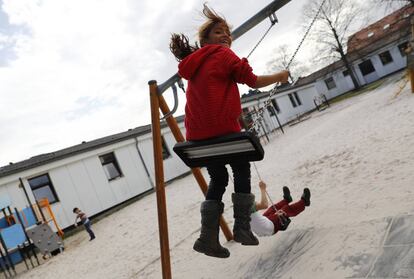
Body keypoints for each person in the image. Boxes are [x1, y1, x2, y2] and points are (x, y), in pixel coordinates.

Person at [169, 4, 290, 258]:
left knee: (219, 179)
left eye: (227, 33)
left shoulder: (193, 66)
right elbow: (253, 81)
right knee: (241, 168)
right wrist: (280, 75)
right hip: (224, 133)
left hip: (198, 141)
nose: (225, 36)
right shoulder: (223, 55)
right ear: (205, 41)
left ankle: (207, 238)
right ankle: (243, 228)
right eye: (218, 32)